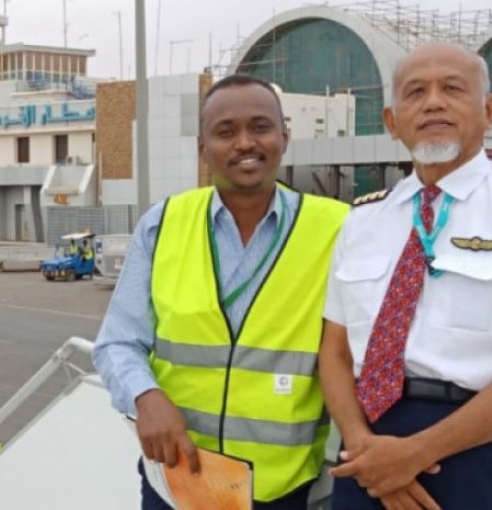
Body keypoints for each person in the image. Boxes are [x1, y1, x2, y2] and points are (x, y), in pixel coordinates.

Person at [319, 41, 492, 510]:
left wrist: (412, 455)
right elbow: (335, 351)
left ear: (488, 111)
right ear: (391, 121)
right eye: (415, 92)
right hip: (369, 445)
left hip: (484, 448)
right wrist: (363, 444)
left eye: (452, 88)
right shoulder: (363, 220)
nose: (433, 102)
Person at [92, 74, 350, 509]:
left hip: (282, 490)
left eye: (260, 127)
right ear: (203, 148)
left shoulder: (339, 229)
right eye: (226, 132)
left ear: (284, 138)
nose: (245, 143)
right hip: (176, 482)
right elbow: (118, 340)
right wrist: (145, 397)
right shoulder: (164, 224)